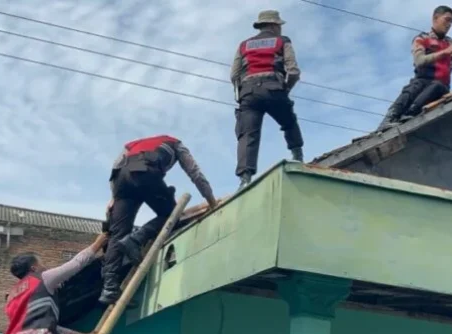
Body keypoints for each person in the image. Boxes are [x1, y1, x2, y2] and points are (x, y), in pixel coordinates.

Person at [100, 134, 217, 304]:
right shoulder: (177, 144)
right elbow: (195, 173)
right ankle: (136, 238)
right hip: (143, 169)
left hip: (122, 177)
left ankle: (109, 289)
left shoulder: (136, 143)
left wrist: (114, 197)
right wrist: (211, 200)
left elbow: (117, 166)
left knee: (117, 233)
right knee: (172, 214)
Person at [230, 9, 304, 190]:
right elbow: (293, 71)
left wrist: (241, 94)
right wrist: (285, 90)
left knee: (248, 135)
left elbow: (234, 75)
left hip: (248, 93)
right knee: (289, 121)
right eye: (279, 25)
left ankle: (245, 179)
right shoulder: (282, 41)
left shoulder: (243, 45)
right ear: (273, 25)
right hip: (273, 88)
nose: (280, 28)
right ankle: (297, 156)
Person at [376, 5, 452, 131]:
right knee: (413, 87)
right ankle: (390, 118)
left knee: (438, 85)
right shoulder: (422, 39)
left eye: (451, 22)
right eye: (447, 20)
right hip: (422, 83)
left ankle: (410, 113)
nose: (449, 24)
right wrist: (446, 52)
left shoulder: (451, 43)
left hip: (441, 89)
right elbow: (419, 61)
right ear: (435, 18)